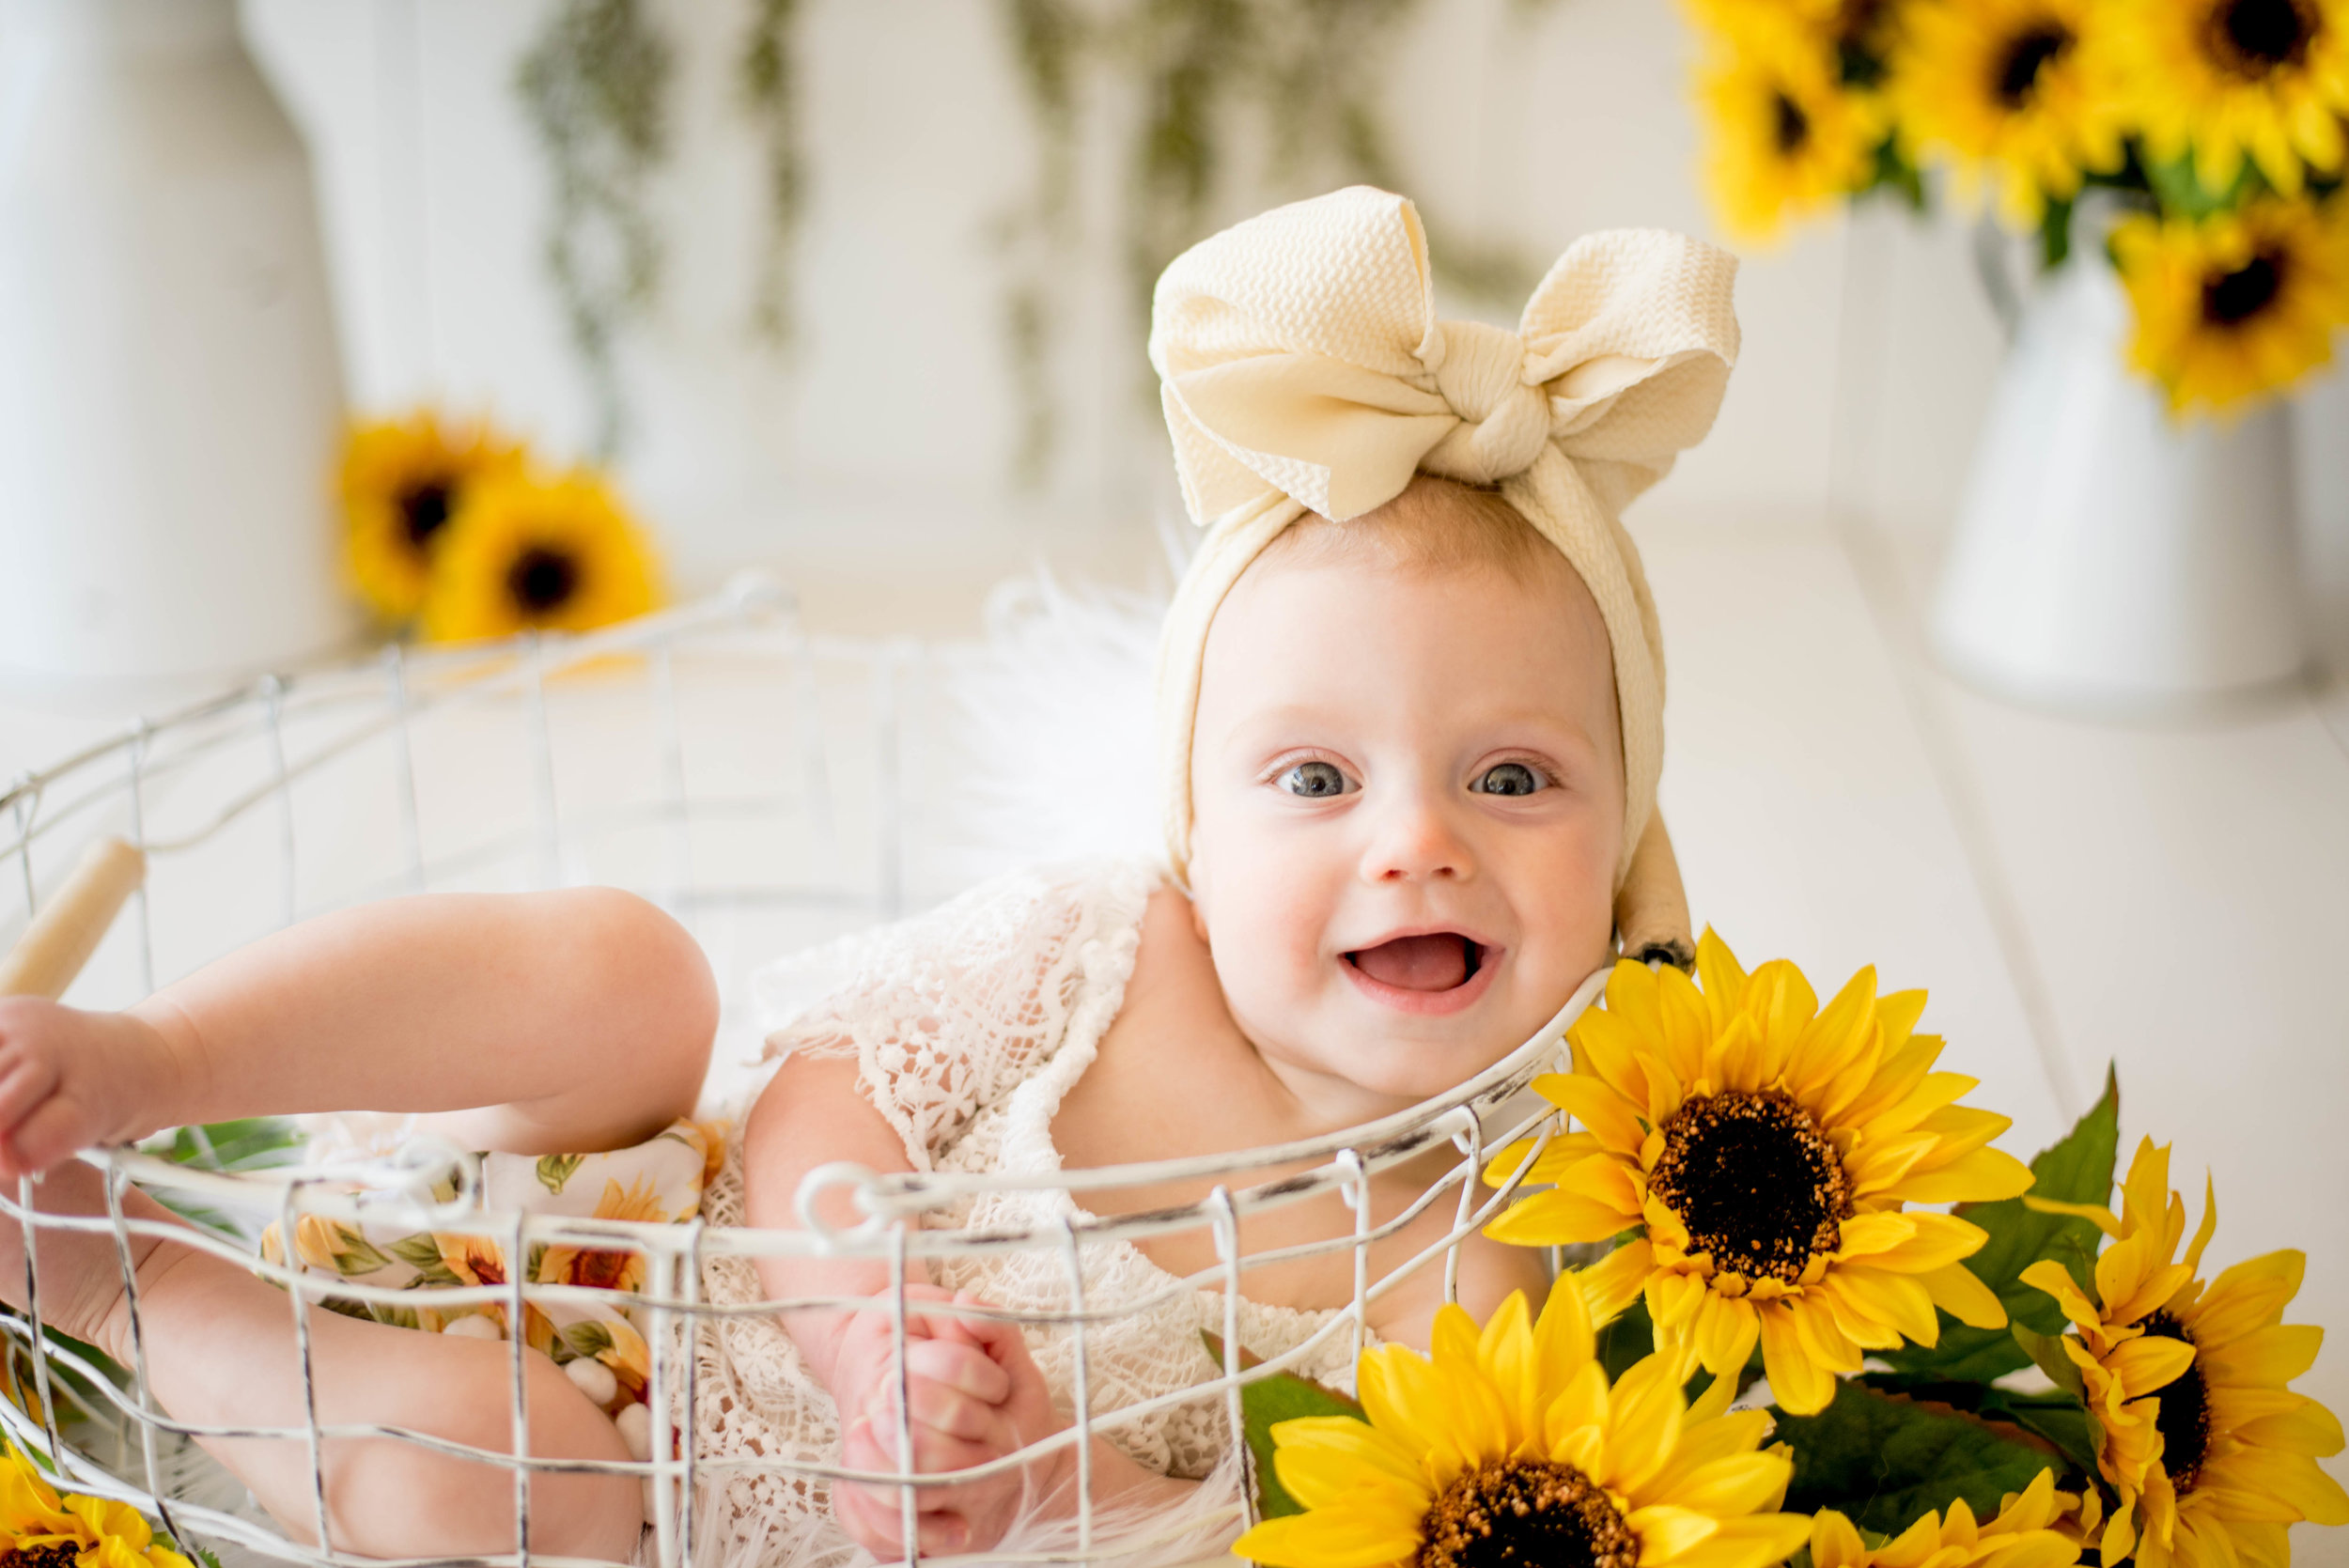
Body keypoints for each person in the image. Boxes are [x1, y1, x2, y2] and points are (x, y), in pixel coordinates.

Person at [0, 185, 1738, 1566]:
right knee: (632, 975)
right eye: (1315, 777)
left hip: (649, 1473)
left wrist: (1043, 1469)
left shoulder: (1488, 1265)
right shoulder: (1107, 944)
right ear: (1197, 827)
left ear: (1631, 834)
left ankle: (118, 1281)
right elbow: (820, 1105)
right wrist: (853, 1338)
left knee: (522, 1488)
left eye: (1513, 776)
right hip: (633, 1207)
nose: (1414, 838)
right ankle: (164, 1059)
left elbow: (1275, 1534)